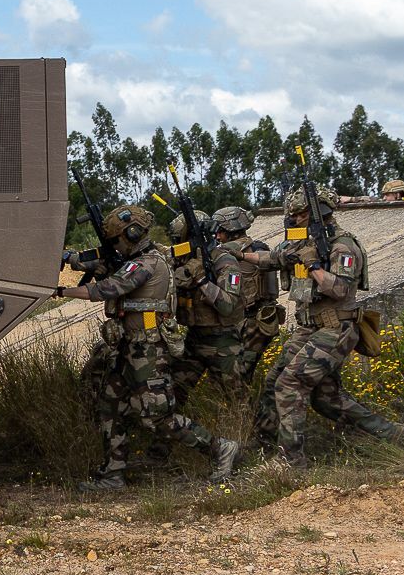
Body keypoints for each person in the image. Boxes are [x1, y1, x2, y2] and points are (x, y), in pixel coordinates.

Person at [56, 204, 241, 489]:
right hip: (128, 347)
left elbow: (108, 289)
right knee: (110, 405)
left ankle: (220, 448)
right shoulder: (136, 260)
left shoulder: (148, 263)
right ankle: (113, 474)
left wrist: (61, 291)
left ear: (131, 234)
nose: (115, 245)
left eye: (117, 239)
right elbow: (106, 270)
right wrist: (77, 259)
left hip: (148, 350)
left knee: (157, 416)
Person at [253, 185, 400, 466]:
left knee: (289, 383)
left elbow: (341, 289)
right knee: (319, 396)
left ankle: (291, 461)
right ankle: (390, 433)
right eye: (293, 214)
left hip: (337, 328)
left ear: (320, 213)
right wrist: (238, 255)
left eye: (301, 214)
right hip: (310, 328)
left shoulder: (343, 246)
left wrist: (313, 267)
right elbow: (271, 259)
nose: (295, 219)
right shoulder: (305, 242)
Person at [167, 211, 245, 406]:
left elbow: (227, 305)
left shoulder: (224, 261)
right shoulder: (184, 261)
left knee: (238, 401)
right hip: (194, 339)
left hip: (222, 342)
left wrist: (202, 279)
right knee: (172, 394)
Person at [210, 206, 282, 380]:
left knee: (240, 373)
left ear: (231, 230)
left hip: (254, 321)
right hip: (252, 320)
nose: (217, 237)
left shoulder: (227, 252)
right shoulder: (258, 247)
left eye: (220, 232)